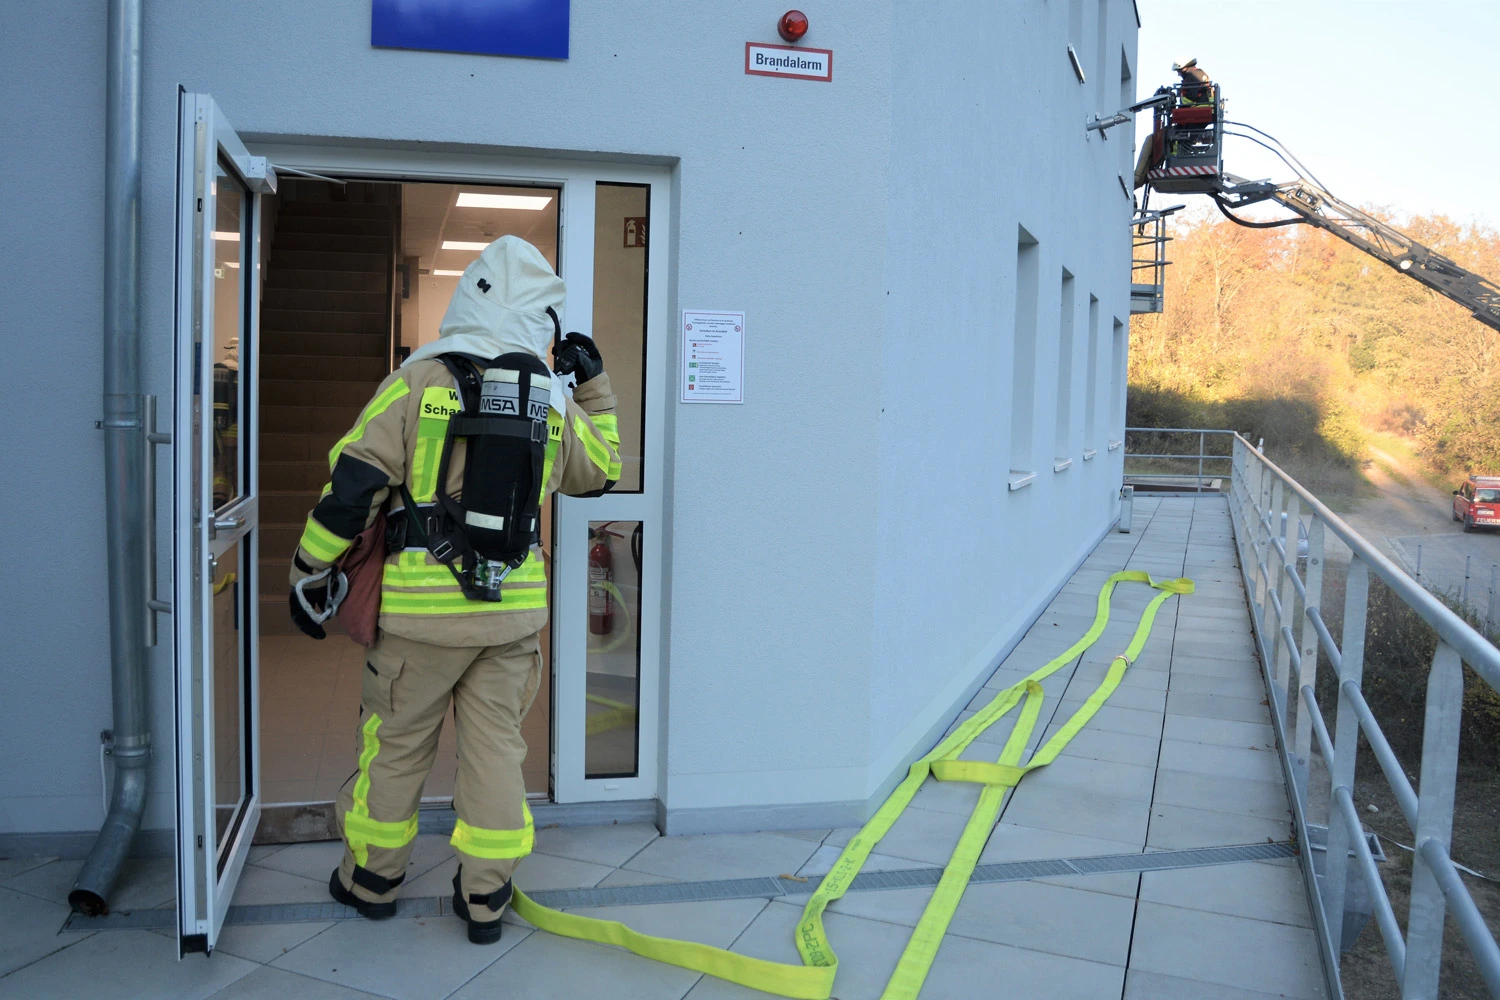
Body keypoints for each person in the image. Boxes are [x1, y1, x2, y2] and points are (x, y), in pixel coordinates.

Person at [287, 235, 621, 944]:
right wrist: (591, 386)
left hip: (419, 622)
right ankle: (486, 898)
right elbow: (603, 472)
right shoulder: (549, 400)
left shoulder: (414, 382)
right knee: (496, 754)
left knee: (397, 748)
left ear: (467, 298)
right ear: (541, 320)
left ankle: (372, 881)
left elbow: (352, 489)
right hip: (511, 619)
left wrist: (309, 571)